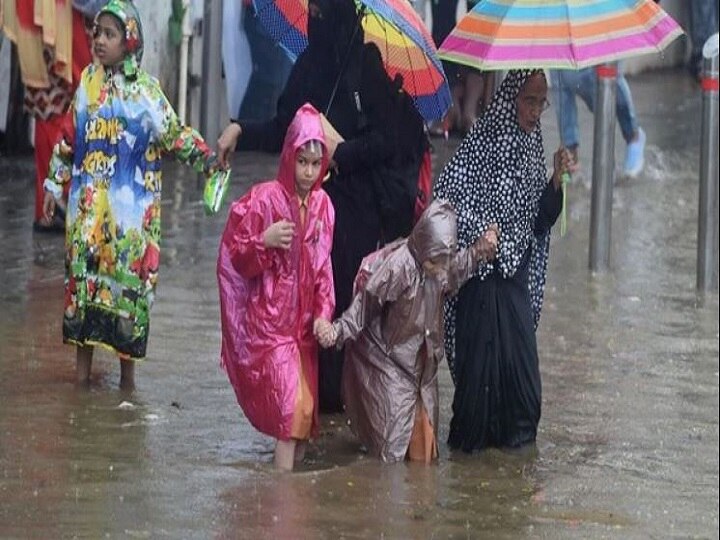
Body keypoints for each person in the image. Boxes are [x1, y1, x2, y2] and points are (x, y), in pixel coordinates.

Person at [216, 0, 427, 412]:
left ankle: (342, 400)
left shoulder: (368, 68)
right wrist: (240, 130)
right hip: (309, 210)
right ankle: (304, 402)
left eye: (321, 9)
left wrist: (341, 153)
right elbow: (284, 129)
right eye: (310, 8)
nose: (313, 16)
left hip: (354, 213)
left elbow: (389, 142)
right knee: (302, 303)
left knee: (342, 303)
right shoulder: (309, 66)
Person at [41, 0, 225, 389]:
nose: (100, 40)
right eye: (97, 32)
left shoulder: (146, 94)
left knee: (127, 300)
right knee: (83, 293)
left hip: (130, 228)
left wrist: (209, 161)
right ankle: (81, 379)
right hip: (87, 221)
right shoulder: (87, 84)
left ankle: (128, 385)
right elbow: (69, 140)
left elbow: (175, 136)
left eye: (110, 34)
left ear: (130, 42)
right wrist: (54, 185)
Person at [433, 70, 571, 452]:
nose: (535, 110)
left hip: (514, 281)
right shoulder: (483, 141)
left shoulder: (531, 145)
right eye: (530, 100)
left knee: (524, 392)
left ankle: (514, 464)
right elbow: (445, 201)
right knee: (476, 393)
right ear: (512, 96)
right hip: (481, 284)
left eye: (542, 102)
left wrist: (556, 181)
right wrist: (483, 233)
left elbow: (537, 221)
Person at [316, 200, 498, 463]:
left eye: (443, 261)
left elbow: (453, 272)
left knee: (425, 454)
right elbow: (366, 303)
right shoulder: (399, 266)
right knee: (390, 454)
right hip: (390, 363)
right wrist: (337, 331)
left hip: (423, 368)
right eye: (435, 261)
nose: (439, 268)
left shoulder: (438, 268)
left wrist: (479, 251)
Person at [217, 103, 335, 471]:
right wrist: (263, 242)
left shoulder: (323, 207)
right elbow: (235, 257)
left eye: (316, 164)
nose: (308, 172)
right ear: (289, 156)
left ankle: (285, 502)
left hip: (303, 333)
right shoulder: (263, 199)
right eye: (302, 162)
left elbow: (323, 271)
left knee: (302, 419)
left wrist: (324, 313)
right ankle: (280, 501)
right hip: (271, 326)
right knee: (289, 414)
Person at [1, 0, 95, 232]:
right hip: (62, 16)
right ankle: (61, 203)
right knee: (76, 98)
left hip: (43, 15)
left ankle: (50, 208)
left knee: (50, 103)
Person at [549, 67, 646, 179]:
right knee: (562, 84)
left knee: (610, 82)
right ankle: (571, 157)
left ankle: (633, 136)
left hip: (597, 63)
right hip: (564, 65)